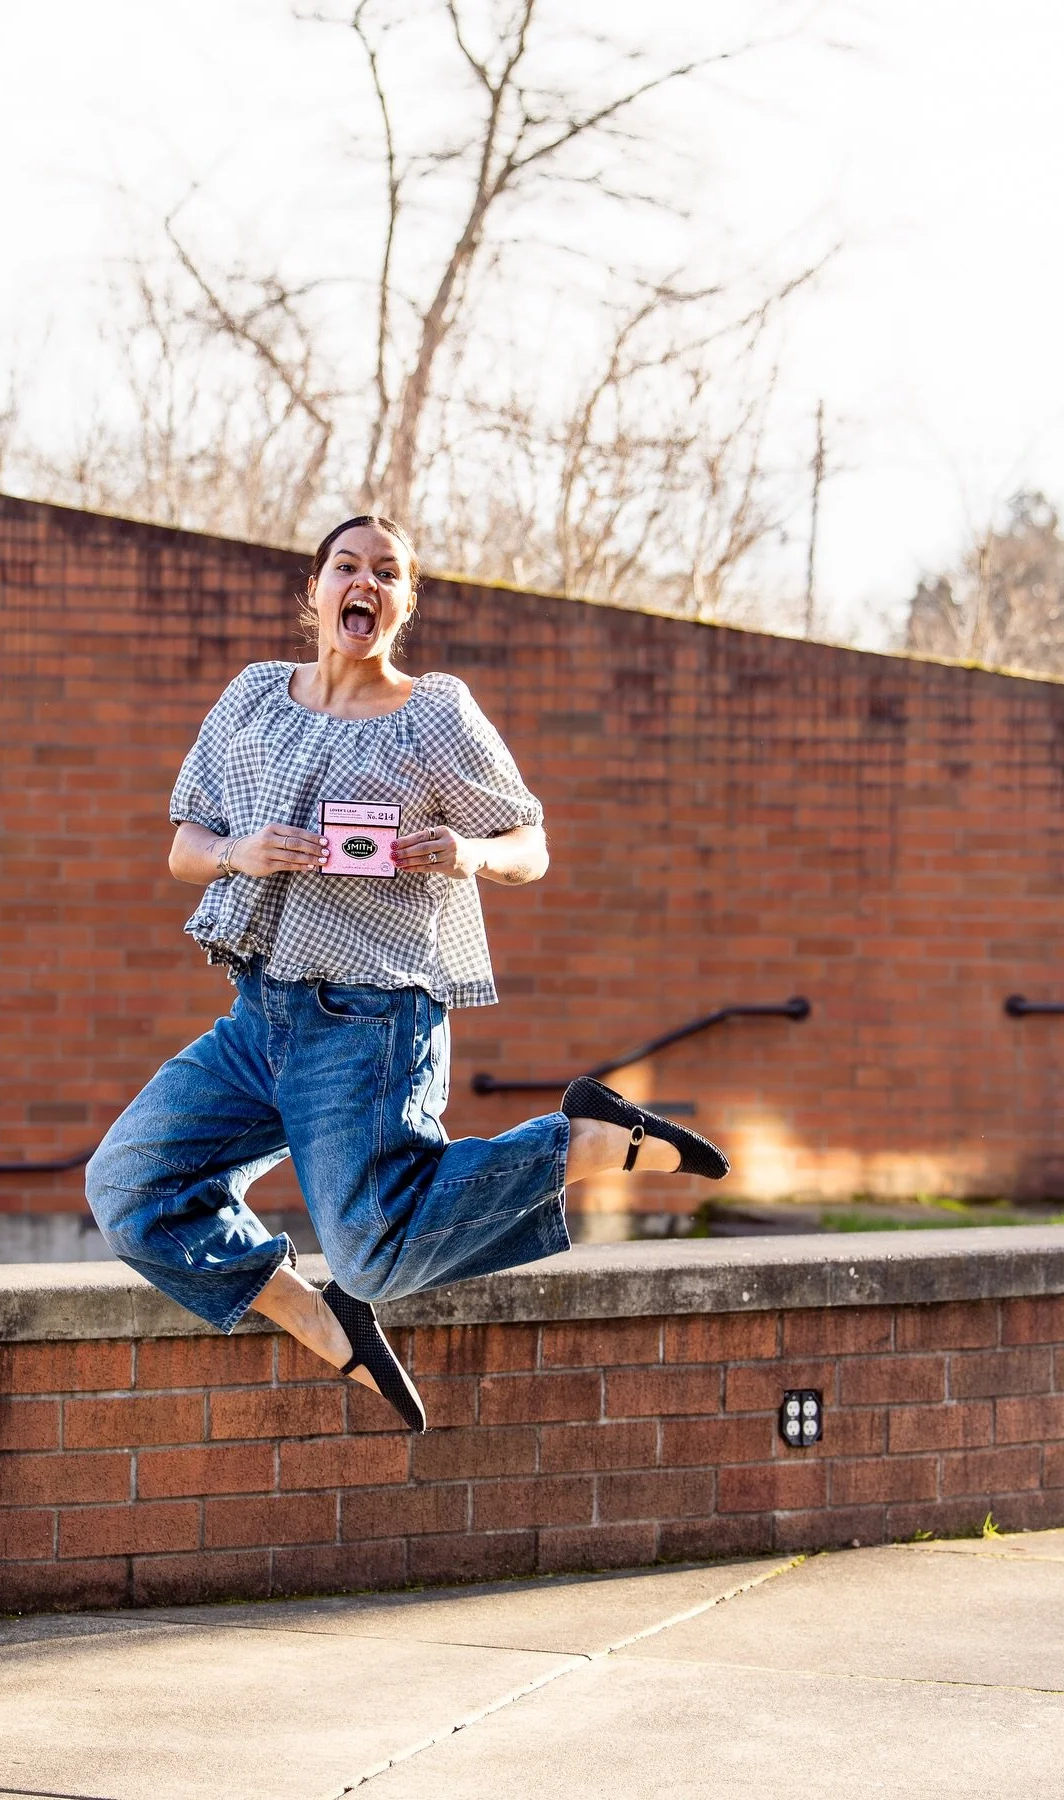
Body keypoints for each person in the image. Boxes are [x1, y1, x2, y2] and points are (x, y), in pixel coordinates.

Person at [86, 515, 728, 1431]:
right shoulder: (255, 698)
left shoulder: (437, 713)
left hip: (372, 1019)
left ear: (403, 603)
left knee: (377, 1253)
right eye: (347, 566)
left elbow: (531, 845)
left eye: (388, 572)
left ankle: (583, 1141)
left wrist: (465, 851)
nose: (366, 582)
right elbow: (186, 844)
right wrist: (241, 850)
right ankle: (313, 1314)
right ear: (314, 590)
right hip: (259, 1015)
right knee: (129, 1187)